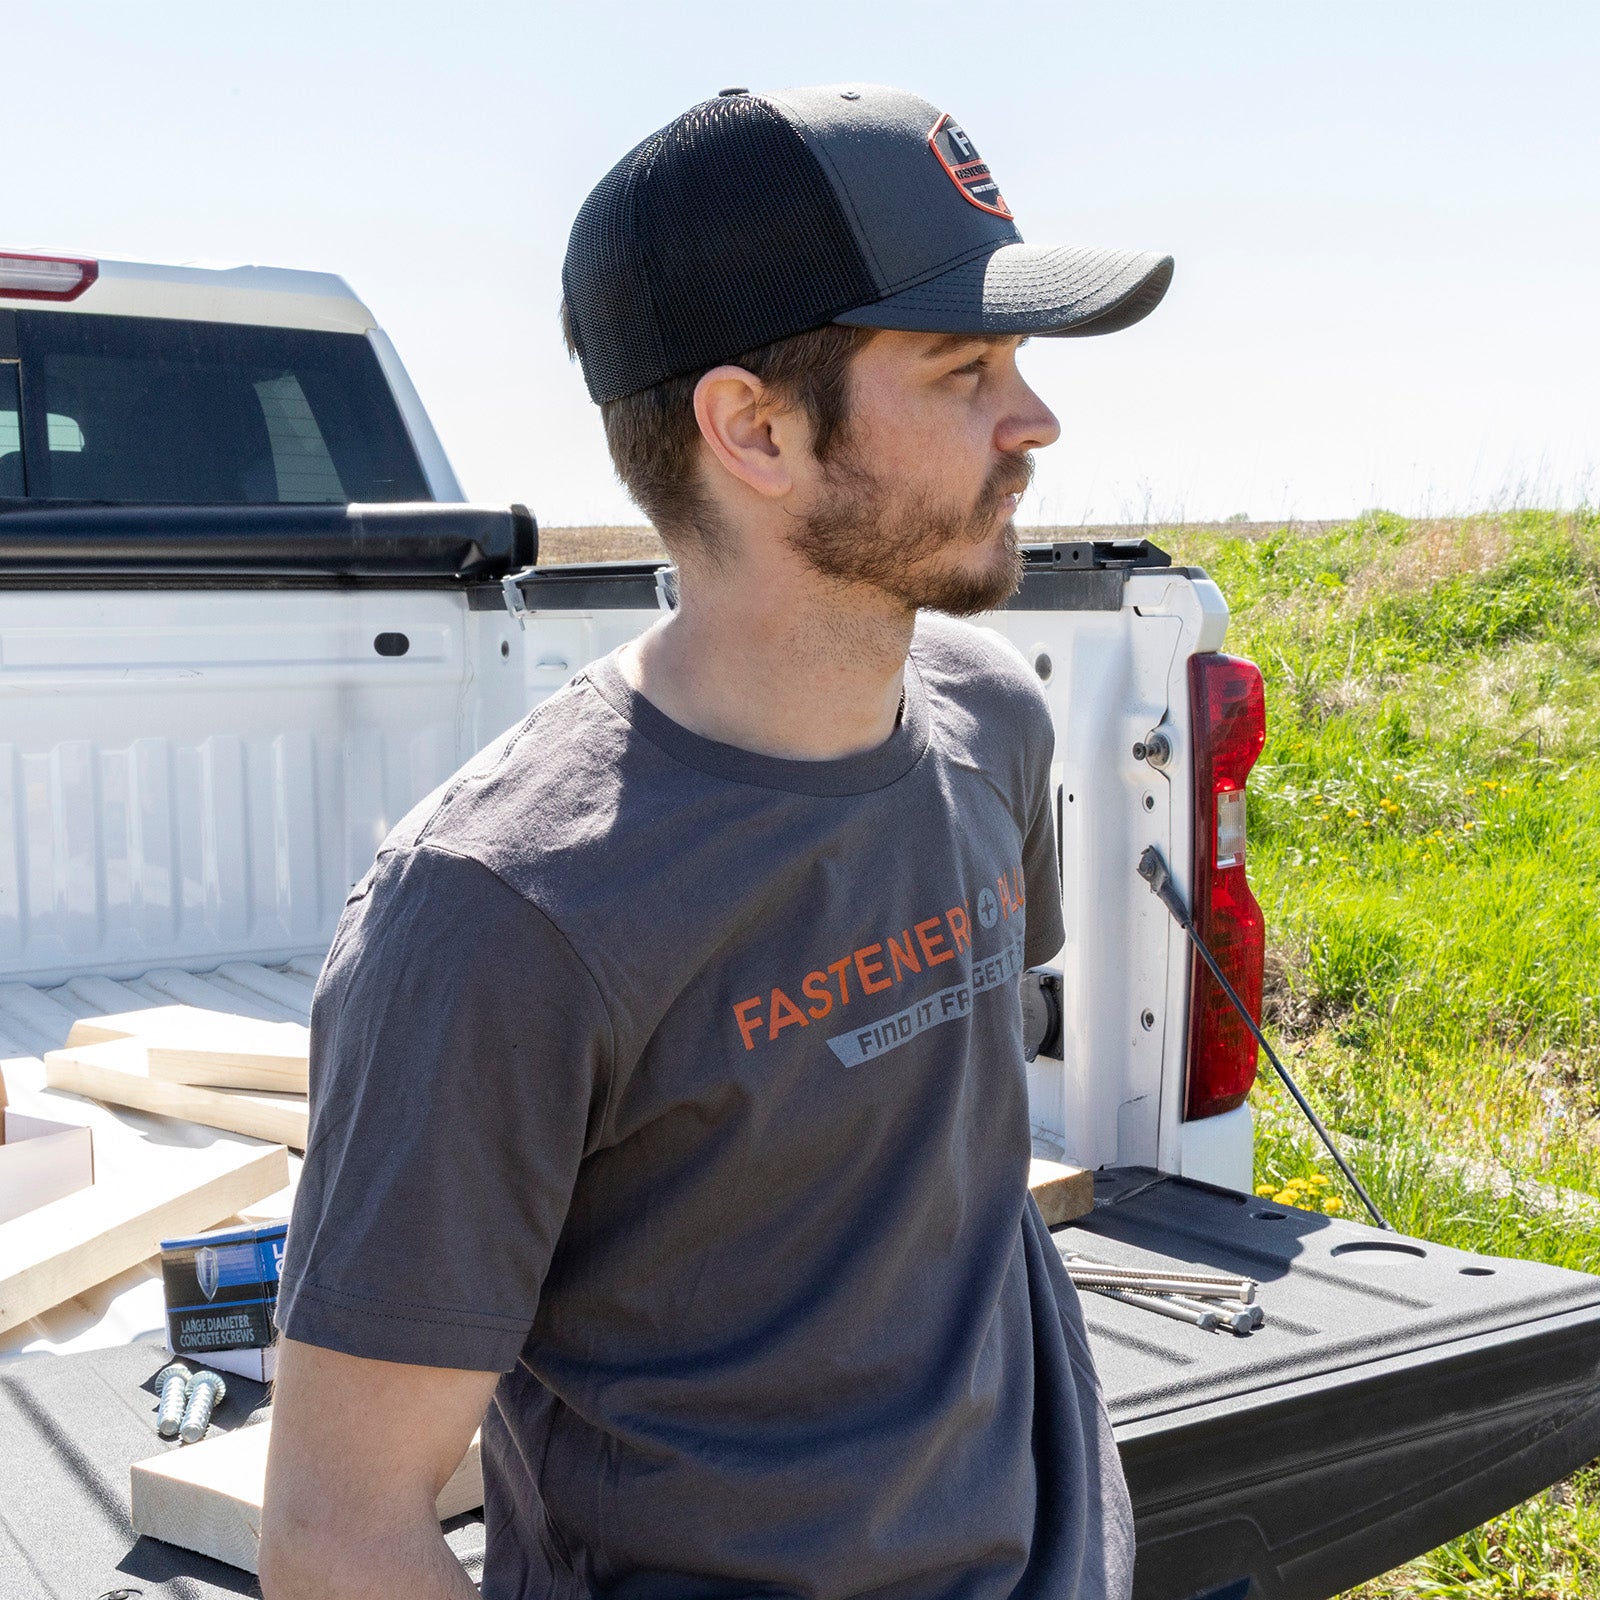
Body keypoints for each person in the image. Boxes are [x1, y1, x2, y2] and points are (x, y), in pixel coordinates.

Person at [261, 83, 1172, 1600]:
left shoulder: (993, 723)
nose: (1035, 419)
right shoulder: (495, 914)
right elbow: (335, 1534)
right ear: (755, 428)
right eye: (963, 368)